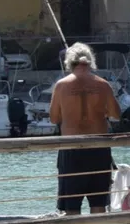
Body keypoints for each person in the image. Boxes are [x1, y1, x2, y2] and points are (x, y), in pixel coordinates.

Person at [48, 43, 121, 214]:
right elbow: (116, 114)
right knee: (98, 202)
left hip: (72, 148)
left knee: (71, 205)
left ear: (69, 62)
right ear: (90, 61)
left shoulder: (61, 85)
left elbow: (54, 118)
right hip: (98, 148)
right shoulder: (103, 85)